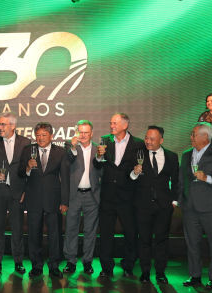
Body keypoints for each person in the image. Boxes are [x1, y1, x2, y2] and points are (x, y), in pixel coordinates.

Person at [179, 123, 212, 289]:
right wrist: (180, 200)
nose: (191, 137)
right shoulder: (186, 155)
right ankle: (195, 275)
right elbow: (181, 180)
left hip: (211, 208)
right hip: (190, 207)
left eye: (194, 134)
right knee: (192, 244)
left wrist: (206, 178)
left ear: (205, 136)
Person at [95, 113, 143, 278]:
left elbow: (139, 168)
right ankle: (106, 267)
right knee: (105, 234)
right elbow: (97, 165)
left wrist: (136, 173)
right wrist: (99, 156)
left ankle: (128, 265)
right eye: (111, 123)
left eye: (114, 123)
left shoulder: (138, 144)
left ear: (125, 125)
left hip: (128, 197)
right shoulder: (105, 140)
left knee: (130, 233)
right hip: (107, 196)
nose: (111, 126)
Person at [19, 122, 69, 279]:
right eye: (38, 135)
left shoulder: (61, 152)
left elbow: (65, 178)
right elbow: (20, 173)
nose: (40, 138)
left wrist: (64, 201)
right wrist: (27, 168)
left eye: (44, 135)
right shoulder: (28, 150)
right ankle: (36, 266)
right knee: (34, 234)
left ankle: (54, 266)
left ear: (51, 136)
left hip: (53, 199)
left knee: (55, 235)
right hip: (33, 199)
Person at [130, 126, 179, 284]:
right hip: (142, 205)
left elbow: (176, 181)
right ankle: (145, 272)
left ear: (161, 140)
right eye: (146, 138)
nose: (148, 141)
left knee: (161, 240)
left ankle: (160, 272)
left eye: (152, 139)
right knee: (144, 240)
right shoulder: (138, 154)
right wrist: (134, 173)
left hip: (163, 206)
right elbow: (129, 178)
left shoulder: (171, 156)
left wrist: (174, 201)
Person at [0, 112, 30, 274]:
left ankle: (18, 262)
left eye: (3, 124)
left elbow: (28, 169)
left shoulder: (25, 142)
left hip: (18, 192)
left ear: (13, 126)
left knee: (17, 229)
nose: (0, 127)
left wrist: (25, 191)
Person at [63, 120, 101, 275]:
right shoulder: (69, 146)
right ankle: (70, 261)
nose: (83, 135)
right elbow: (68, 162)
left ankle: (87, 262)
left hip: (92, 195)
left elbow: (102, 170)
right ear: (76, 132)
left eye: (86, 132)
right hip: (74, 195)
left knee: (90, 231)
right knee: (71, 229)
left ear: (92, 133)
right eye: (80, 132)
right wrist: (73, 147)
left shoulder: (99, 149)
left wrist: (101, 157)